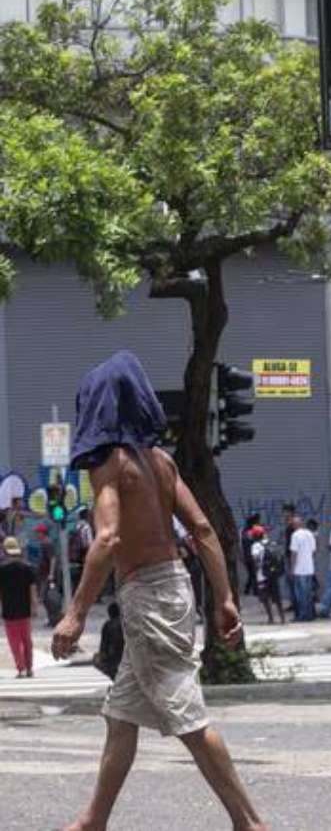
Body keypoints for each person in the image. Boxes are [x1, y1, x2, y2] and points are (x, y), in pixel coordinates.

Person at [51, 350, 265, 831]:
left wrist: (76, 613)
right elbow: (204, 530)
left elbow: (108, 539)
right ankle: (93, 821)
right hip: (171, 587)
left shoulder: (110, 464)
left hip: (148, 594)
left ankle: (250, 823)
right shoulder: (160, 463)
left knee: (187, 716)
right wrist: (225, 598)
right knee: (121, 714)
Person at [0, 536, 36, 678]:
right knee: (27, 640)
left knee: (14, 641)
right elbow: (32, 590)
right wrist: (34, 606)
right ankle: (29, 668)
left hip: (9, 610)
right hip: (24, 609)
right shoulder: (27, 568)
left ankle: (20, 669)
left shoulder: (1, 569)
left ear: (5, 550)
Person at [251, 528, 286, 625]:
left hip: (262, 575)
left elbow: (256, 559)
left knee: (265, 597)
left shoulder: (256, 546)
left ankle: (271, 618)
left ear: (255, 536)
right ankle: (282, 618)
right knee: (277, 596)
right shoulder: (272, 543)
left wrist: (256, 571)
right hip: (273, 573)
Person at [289, 519, 318, 622]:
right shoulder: (310, 534)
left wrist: (292, 568)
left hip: (299, 569)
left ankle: (302, 616)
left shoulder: (295, 535)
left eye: (292, 524)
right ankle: (310, 615)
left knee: (300, 594)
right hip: (309, 568)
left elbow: (294, 554)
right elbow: (314, 551)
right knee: (308, 593)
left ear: (295, 525)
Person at [93, 602, 125, 681]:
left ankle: (115, 679)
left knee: (96, 659)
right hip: (126, 656)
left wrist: (102, 656)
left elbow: (103, 645)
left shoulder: (108, 625)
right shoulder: (125, 622)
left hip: (113, 658)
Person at [240, 514, 260, 597]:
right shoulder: (252, 531)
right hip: (252, 556)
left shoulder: (244, 531)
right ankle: (254, 591)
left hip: (247, 556)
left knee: (252, 574)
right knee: (254, 574)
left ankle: (248, 590)